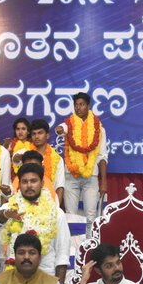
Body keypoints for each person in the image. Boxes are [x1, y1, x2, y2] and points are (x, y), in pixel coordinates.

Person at [0, 162, 70, 281]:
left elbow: (62, 254)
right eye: (24, 182)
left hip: (45, 278)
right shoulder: (12, 207)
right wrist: (6, 214)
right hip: (14, 278)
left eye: (33, 181)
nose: (29, 185)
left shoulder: (56, 213)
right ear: (19, 184)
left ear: (42, 183)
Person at [55, 93, 108, 232]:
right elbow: (62, 128)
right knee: (71, 216)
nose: (78, 108)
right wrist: (59, 129)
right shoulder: (70, 124)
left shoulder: (99, 128)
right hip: (71, 176)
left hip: (91, 176)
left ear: (88, 106)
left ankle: (89, 244)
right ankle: (73, 245)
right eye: (76, 105)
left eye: (82, 104)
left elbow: (102, 156)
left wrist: (103, 181)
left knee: (91, 216)